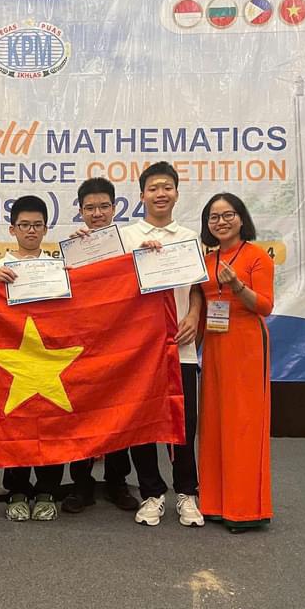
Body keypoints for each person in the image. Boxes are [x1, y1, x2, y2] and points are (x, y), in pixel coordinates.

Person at [119, 162, 204, 527]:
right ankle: (151, 493)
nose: (160, 194)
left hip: (179, 345)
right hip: (139, 349)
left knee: (184, 423)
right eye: (153, 188)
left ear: (176, 193)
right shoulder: (126, 237)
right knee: (142, 424)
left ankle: (187, 493)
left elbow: (197, 289)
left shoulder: (189, 237)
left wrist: (194, 315)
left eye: (167, 187)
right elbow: (108, 284)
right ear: (142, 195)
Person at [197, 193, 274, 533]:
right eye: (214, 217)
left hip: (246, 344)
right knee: (213, 422)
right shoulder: (206, 260)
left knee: (244, 423)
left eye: (228, 215)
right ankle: (214, 503)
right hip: (215, 345)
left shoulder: (257, 256)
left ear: (241, 218)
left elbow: (265, 306)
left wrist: (238, 286)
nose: (221, 222)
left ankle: (245, 509)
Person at [62, 177, 138, 514]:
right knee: (81, 412)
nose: (97, 213)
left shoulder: (129, 243)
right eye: (90, 208)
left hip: (120, 342)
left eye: (104, 206)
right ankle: (80, 483)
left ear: (115, 208)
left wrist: (149, 252)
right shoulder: (72, 247)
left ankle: (117, 481)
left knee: (118, 411)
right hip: (82, 344)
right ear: (80, 211)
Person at [0, 195, 64, 522]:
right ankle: (16, 491)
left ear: (46, 229)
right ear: (12, 229)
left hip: (50, 359)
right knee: (15, 424)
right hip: (12, 361)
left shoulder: (57, 268)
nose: (31, 230)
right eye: (24, 225)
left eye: (37, 225)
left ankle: (48, 490)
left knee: (51, 424)